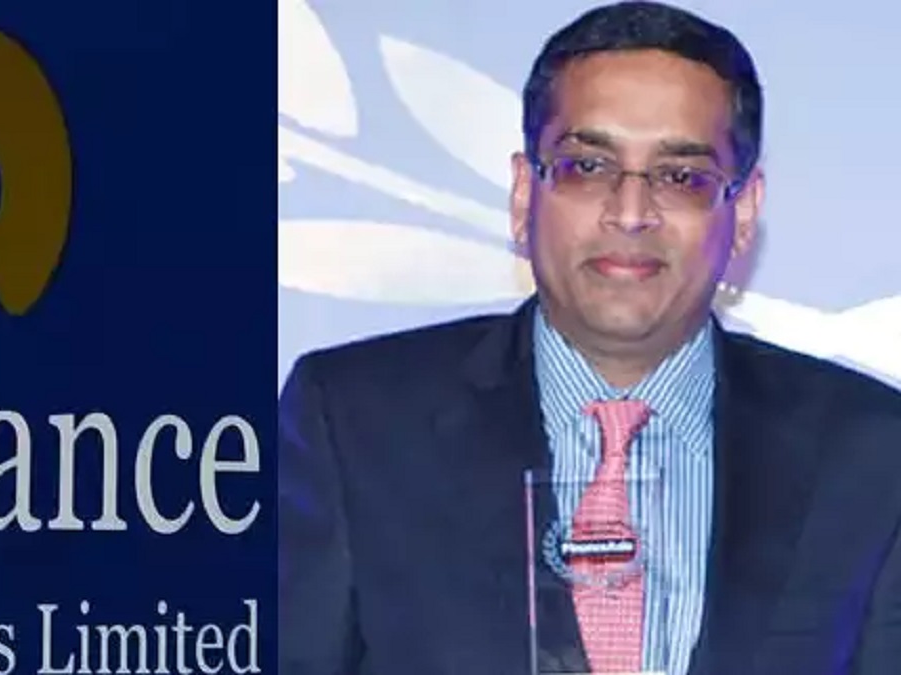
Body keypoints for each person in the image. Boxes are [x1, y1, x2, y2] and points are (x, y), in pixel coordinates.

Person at [277, 1, 901, 673]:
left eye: (681, 177)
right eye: (588, 167)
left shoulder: (869, 452)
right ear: (525, 194)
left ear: (743, 213)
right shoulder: (355, 420)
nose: (630, 214)